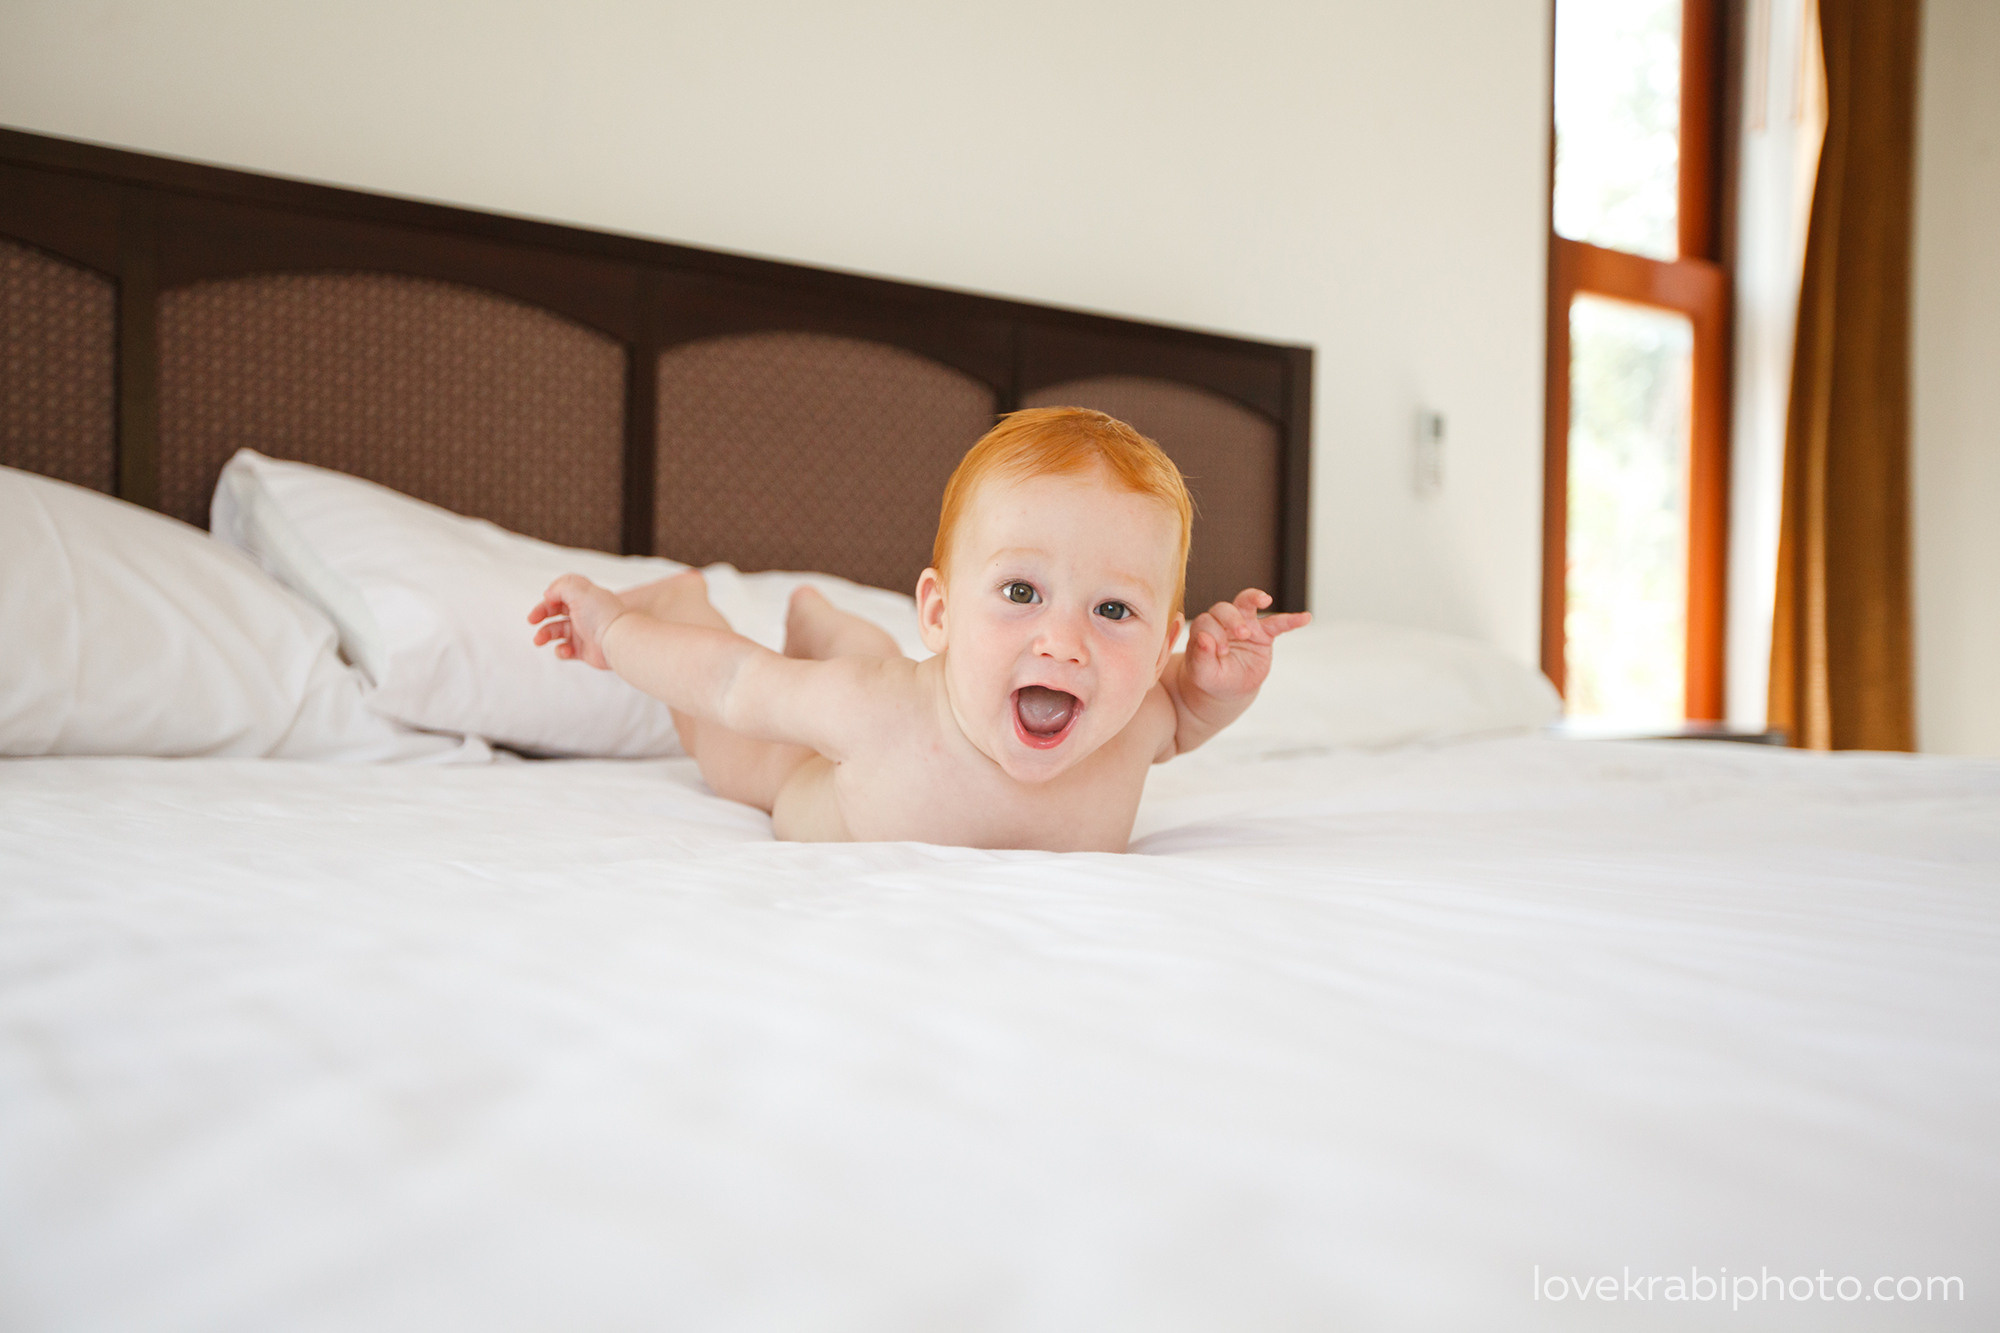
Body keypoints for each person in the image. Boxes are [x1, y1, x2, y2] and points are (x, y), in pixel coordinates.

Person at [528, 407, 1309, 851]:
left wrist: (1215, 686)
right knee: (735, 749)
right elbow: (730, 681)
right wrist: (615, 630)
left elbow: (1187, 715)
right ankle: (682, 600)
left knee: (866, 657)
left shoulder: (1136, 722)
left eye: (1112, 611)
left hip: (877, 694)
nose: (1063, 643)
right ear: (938, 612)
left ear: (1164, 642)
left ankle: (823, 621)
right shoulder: (874, 709)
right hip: (810, 770)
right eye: (1021, 591)